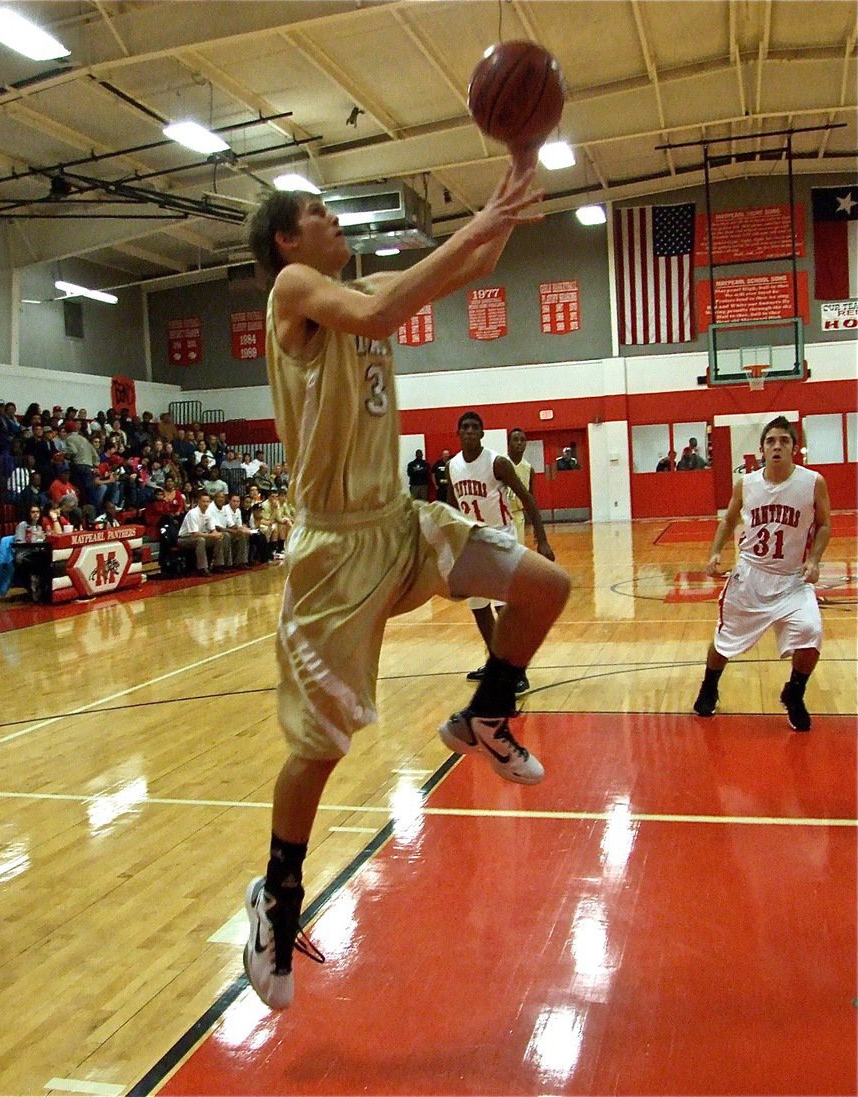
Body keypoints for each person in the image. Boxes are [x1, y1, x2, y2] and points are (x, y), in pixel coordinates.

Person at [240, 149, 570, 1012]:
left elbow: (476, 263)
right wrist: (482, 220)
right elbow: (387, 305)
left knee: (546, 587)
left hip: (399, 523)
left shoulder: (360, 286)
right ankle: (276, 897)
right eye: (316, 209)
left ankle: (487, 715)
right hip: (331, 554)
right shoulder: (295, 294)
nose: (332, 216)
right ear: (286, 238)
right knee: (320, 748)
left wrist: (519, 165)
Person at [693, 416, 831, 731]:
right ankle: (709, 686)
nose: (777, 446)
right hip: (750, 576)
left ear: (795, 448)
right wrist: (716, 552)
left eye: (784, 440)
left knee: (811, 634)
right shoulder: (747, 483)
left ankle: (794, 693)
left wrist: (815, 559)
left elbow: (824, 524)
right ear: (762, 449)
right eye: (771, 441)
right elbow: (728, 520)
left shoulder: (812, 482)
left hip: (792, 580)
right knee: (724, 641)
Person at [449, 411, 555, 691]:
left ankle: (518, 670)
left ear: (482, 434)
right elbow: (450, 509)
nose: (470, 431)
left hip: (500, 538)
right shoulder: (453, 466)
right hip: (473, 542)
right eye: (465, 427)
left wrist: (542, 540)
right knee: (478, 607)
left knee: (503, 607)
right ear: (458, 433)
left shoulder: (497, 463)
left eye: (475, 427)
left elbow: (527, 498)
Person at [177, 490, 227, 576]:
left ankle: (218, 565)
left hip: (200, 536)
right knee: (200, 540)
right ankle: (202, 568)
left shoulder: (208, 513)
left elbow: (212, 529)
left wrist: (216, 534)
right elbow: (194, 533)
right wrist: (210, 535)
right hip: (184, 539)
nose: (206, 504)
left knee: (218, 538)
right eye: (203, 501)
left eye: (207, 501)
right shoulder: (192, 513)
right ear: (198, 502)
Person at [505, 427, 535, 543]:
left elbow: (530, 497)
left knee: (517, 554)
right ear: (509, 443)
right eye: (515, 440)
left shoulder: (528, 468)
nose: (519, 443)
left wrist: (536, 525)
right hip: (501, 517)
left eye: (522, 440)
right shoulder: (500, 463)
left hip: (518, 515)